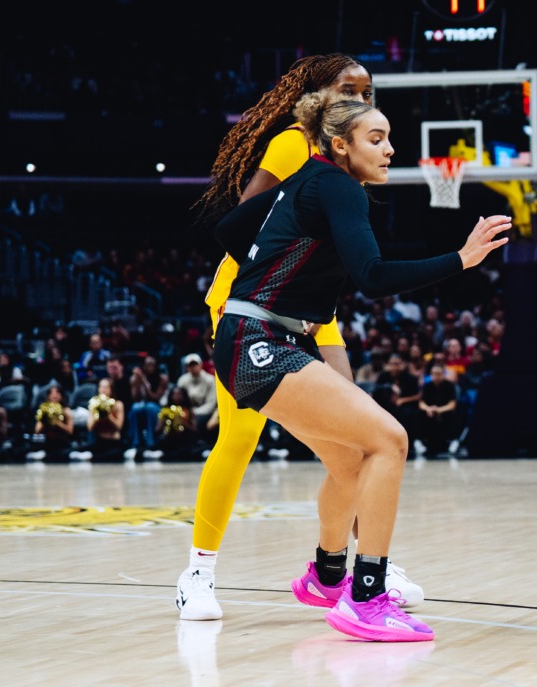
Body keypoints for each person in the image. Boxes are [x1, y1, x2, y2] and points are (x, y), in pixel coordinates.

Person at [208, 96, 510, 641]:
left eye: (389, 137)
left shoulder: (307, 180)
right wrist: (462, 259)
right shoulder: (340, 187)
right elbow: (372, 276)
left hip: (255, 334)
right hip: (261, 338)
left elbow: (231, 228)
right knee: (390, 441)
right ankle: (366, 598)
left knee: (348, 461)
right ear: (340, 145)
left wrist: (288, 267)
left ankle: (327, 578)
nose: (390, 149)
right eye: (376, 139)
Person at [176, 53, 425, 622]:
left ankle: (352, 567)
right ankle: (198, 572)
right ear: (319, 94)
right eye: (347, 89)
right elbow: (242, 219)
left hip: (313, 313)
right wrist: (267, 280)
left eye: (366, 91)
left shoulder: (353, 156)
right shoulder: (296, 144)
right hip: (253, 306)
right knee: (240, 438)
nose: (359, 99)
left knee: (359, 440)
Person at [127, 356, 169, 459]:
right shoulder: (135, 378)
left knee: (150, 407)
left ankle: (151, 443)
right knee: (135, 408)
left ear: (156, 366)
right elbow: (135, 398)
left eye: (151, 365)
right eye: (147, 365)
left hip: (157, 406)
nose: (149, 367)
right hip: (141, 406)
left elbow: (155, 398)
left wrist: (144, 381)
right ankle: (136, 443)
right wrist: (138, 381)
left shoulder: (162, 378)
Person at [416, 363, 460, 456]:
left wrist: (439, 410)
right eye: (434, 373)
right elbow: (421, 403)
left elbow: (452, 404)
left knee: (453, 414)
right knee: (419, 413)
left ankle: (454, 440)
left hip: (444, 410)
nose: (436, 376)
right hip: (430, 411)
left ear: (443, 374)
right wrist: (428, 409)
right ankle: (419, 441)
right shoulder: (427, 386)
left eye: (439, 373)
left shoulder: (450, 385)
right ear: (431, 374)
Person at [80, 377, 125, 461]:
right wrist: (98, 415)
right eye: (101, 387)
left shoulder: (118, 404)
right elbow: (90, 427)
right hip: (99, 441)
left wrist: (108, 416)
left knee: (116, 454)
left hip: (113, 442)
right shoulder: (94, 403)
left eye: (106, 387)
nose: (103, 390)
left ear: (111, 390)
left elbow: (118, 427)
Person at [27, 384, 74, 461]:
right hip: (48, 444)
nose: (54, 395)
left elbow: (70, 431)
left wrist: (56, 422)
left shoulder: (66, 411)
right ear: (48, 396)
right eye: (51, 393)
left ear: (61, 396)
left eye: (57, 392)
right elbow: (37, 431)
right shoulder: (43, 410)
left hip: (63, 444)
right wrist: (45, 419)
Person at [175, 353, 217, 430]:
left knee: (198, 421)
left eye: (195, 364)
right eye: (190, 365)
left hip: (205, 413)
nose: (193, 367)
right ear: (187, 367)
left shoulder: (210, 380)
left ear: (200, 365)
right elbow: (178, 399)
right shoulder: (182, 380)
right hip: (186, 411)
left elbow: (211, 405)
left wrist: (193, 412)